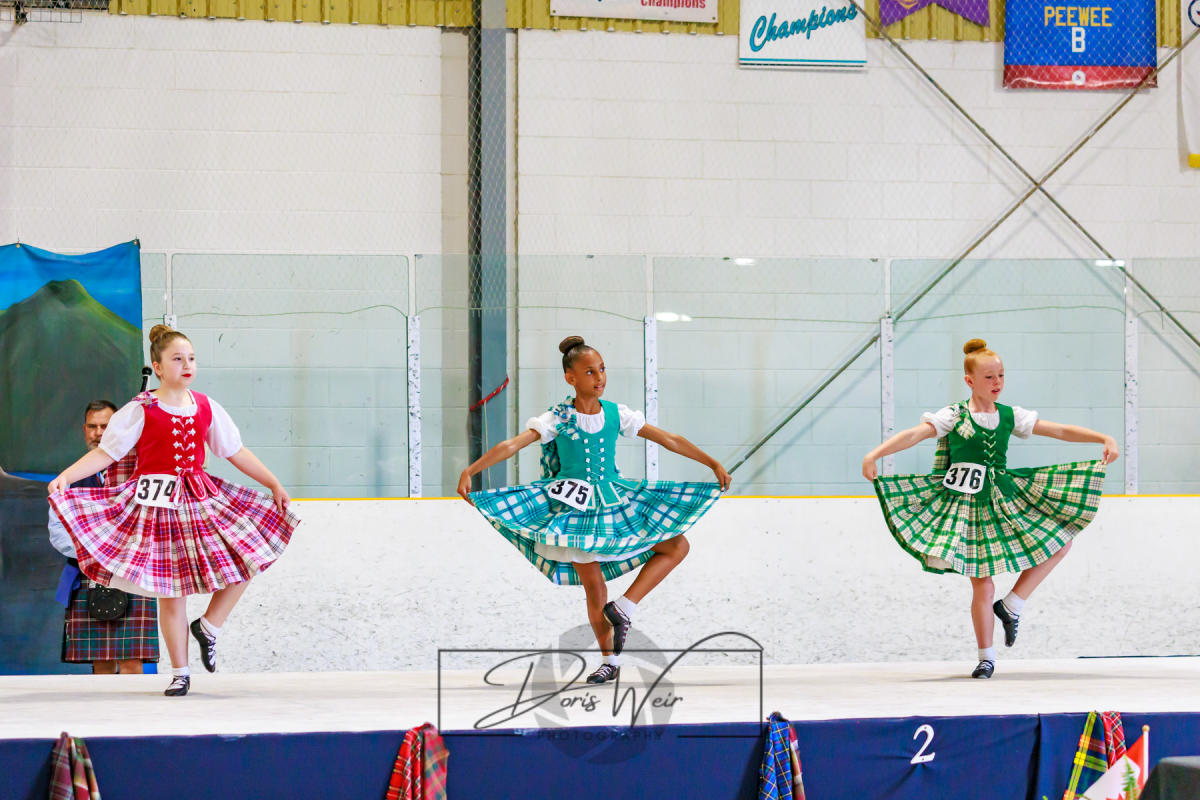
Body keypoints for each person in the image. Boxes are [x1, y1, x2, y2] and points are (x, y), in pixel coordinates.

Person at [458, 335, 731, 685]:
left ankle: (626, 606)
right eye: (590, 372)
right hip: (575, 506)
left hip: (615, 498)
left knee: (677, 545)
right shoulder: (558, 417)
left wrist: (711, 463)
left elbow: (669, 439)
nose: (599, 377)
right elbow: (513, 444)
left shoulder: (618, 414)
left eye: (602, 369)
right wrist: (471, 470)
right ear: (571, 378)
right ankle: (610, 660)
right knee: (594, 587)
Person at [48, 325, 299, 696]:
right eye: (177, 359)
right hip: (157, 505)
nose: (186, 365)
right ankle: (180, 671)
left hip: (199, 497)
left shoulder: (205, 405)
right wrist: (67, 476)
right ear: (158, 366)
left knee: (250, 553)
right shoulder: (141, 408)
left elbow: (235, 451)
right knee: (171, 592)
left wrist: (273, 482)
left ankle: (209, 627)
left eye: (192, 359)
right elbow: (107, 452)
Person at [863, 338, 1118, 679]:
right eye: (988, 377)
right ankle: (986, 656)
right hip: (968, 504)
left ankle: (1013, 604)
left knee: (1061, 541)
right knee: (982, 583)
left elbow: (1058, 430)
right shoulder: (954, 415)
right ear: (969, 381)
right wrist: (875, 454)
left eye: (1000, 376)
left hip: (1005, 497)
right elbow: (914, 435)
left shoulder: (1011, 415)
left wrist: (1102, 438)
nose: (996, 383)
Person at [49, 400, 159, 674]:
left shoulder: (138, 475)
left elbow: (154, 525)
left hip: (132, 575)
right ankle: (104, 717)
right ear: (83, 430)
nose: (98, 433)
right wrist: (98, 555)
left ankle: (134, 718)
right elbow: (58, 533)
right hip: (88, 574)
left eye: (106, 426)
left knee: (133, 661)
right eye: (93, 426)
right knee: (101, 662)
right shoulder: (69, 479)